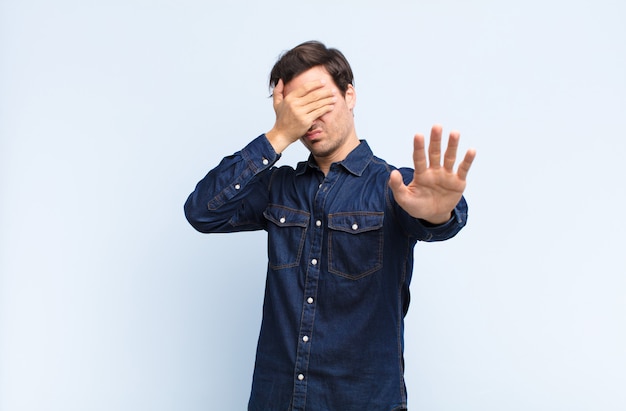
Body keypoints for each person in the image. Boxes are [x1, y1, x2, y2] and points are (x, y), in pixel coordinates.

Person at [184, 40, 476, 411]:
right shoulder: (278, 188)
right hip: (278, 401)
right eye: (297, 108)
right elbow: (202, 211)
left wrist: (436, 213)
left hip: (363, 401)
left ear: (349, 95)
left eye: (319, 101)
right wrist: (278, 136)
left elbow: (439, 219)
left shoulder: (394, 187)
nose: (309, 119)